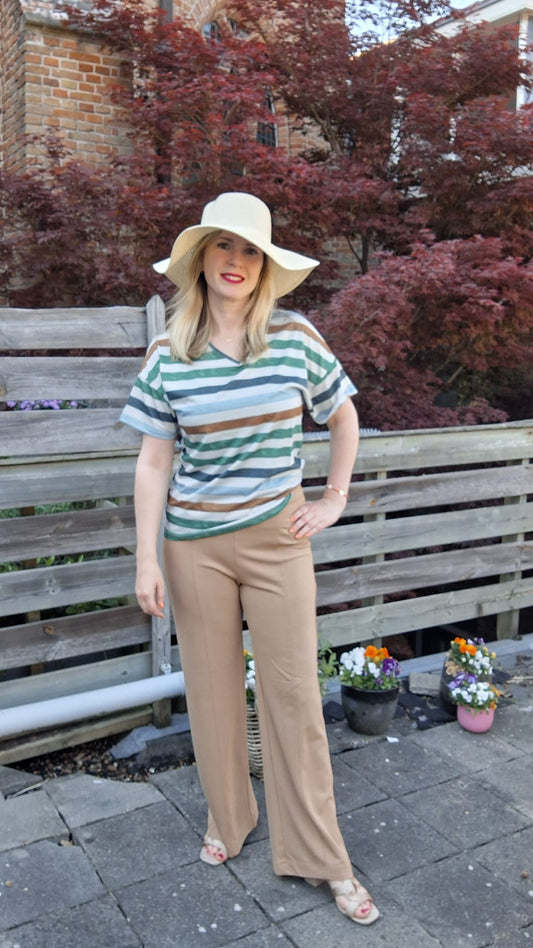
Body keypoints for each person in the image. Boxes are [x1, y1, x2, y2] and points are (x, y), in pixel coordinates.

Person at [120, 192, 379, 927]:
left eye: (251, 250)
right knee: (210, 694)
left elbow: (343, 415)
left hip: (277, 540)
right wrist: (145, 560)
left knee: (293, 698)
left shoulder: (293, 337)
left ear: (265, 267)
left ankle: (322, 857)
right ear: (200, 258)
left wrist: (332, 498)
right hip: (193, 547)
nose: (236, 261)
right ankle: (228, 819)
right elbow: (152, 463)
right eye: (223, 246)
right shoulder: (169, 352)